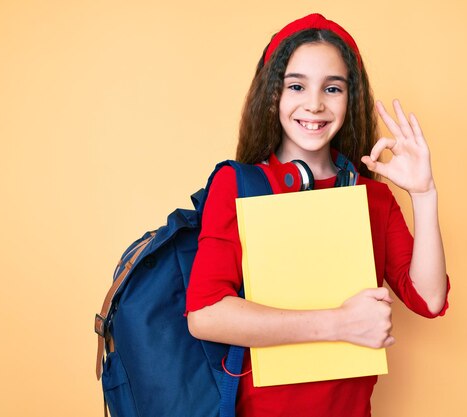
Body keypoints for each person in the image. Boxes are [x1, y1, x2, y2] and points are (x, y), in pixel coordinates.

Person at [186, 13, 450, 417]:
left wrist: (424, 194)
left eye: (332, 88)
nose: (314, 104)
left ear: (351, 98)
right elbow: (205, 314)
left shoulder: (373, 197)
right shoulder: (237, 185)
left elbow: (429, 299)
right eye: (296, 86)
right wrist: (339, 323)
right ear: (273, 95)